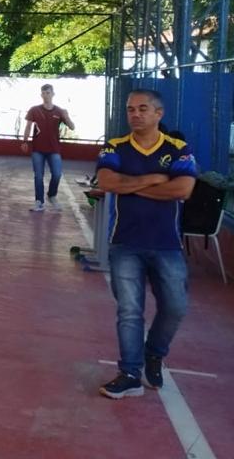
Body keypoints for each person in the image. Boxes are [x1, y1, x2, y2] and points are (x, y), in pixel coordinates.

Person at [94, 89, 198, 400]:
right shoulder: (115, 147)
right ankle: (130, 374)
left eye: (142, 109)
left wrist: (130, 186)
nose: (135, 114)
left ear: (158, 114)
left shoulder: (178, 149)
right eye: (131, 109)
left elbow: (183, 190)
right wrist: (155, 179)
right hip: (125, 243)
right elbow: (107, 182)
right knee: (129, 311)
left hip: (166, 244)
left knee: (176, 307)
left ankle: (154, 352)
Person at [21, 84, 75, 212]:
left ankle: (52, 195)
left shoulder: (59, 111)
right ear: (41, 95)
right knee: (38, 176)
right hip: (37, 149)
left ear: (53, 94)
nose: (46, 95)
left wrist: (66, 116)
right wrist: (25, 141)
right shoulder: (34, 110)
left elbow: (72, 127)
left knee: (57, 174)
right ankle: (39, 202)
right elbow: (28, 126)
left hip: (54, 149)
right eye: (44, 93)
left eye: (48, 93)